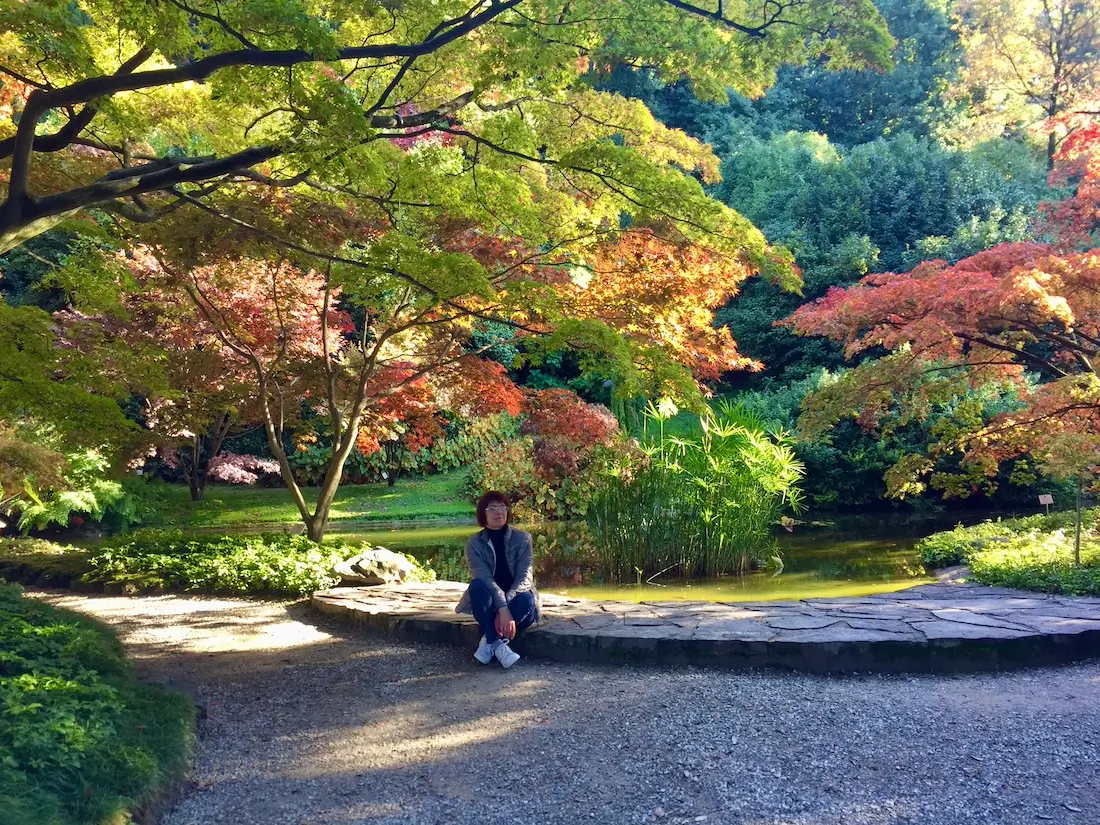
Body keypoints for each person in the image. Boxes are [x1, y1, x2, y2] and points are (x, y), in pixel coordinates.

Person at [455, 491, 540, 668]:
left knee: (527, 597)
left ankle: (490, 639)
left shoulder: (523, 538)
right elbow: (485, 579)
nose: (499, 512)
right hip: (489, 607)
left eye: (502, 507)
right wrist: (501, 609)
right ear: (482, 514)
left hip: (518, 607)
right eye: (492, 508)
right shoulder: (474, 544)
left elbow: (526, 577)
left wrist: (506, 610)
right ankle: (498, 646)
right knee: (477, 585)